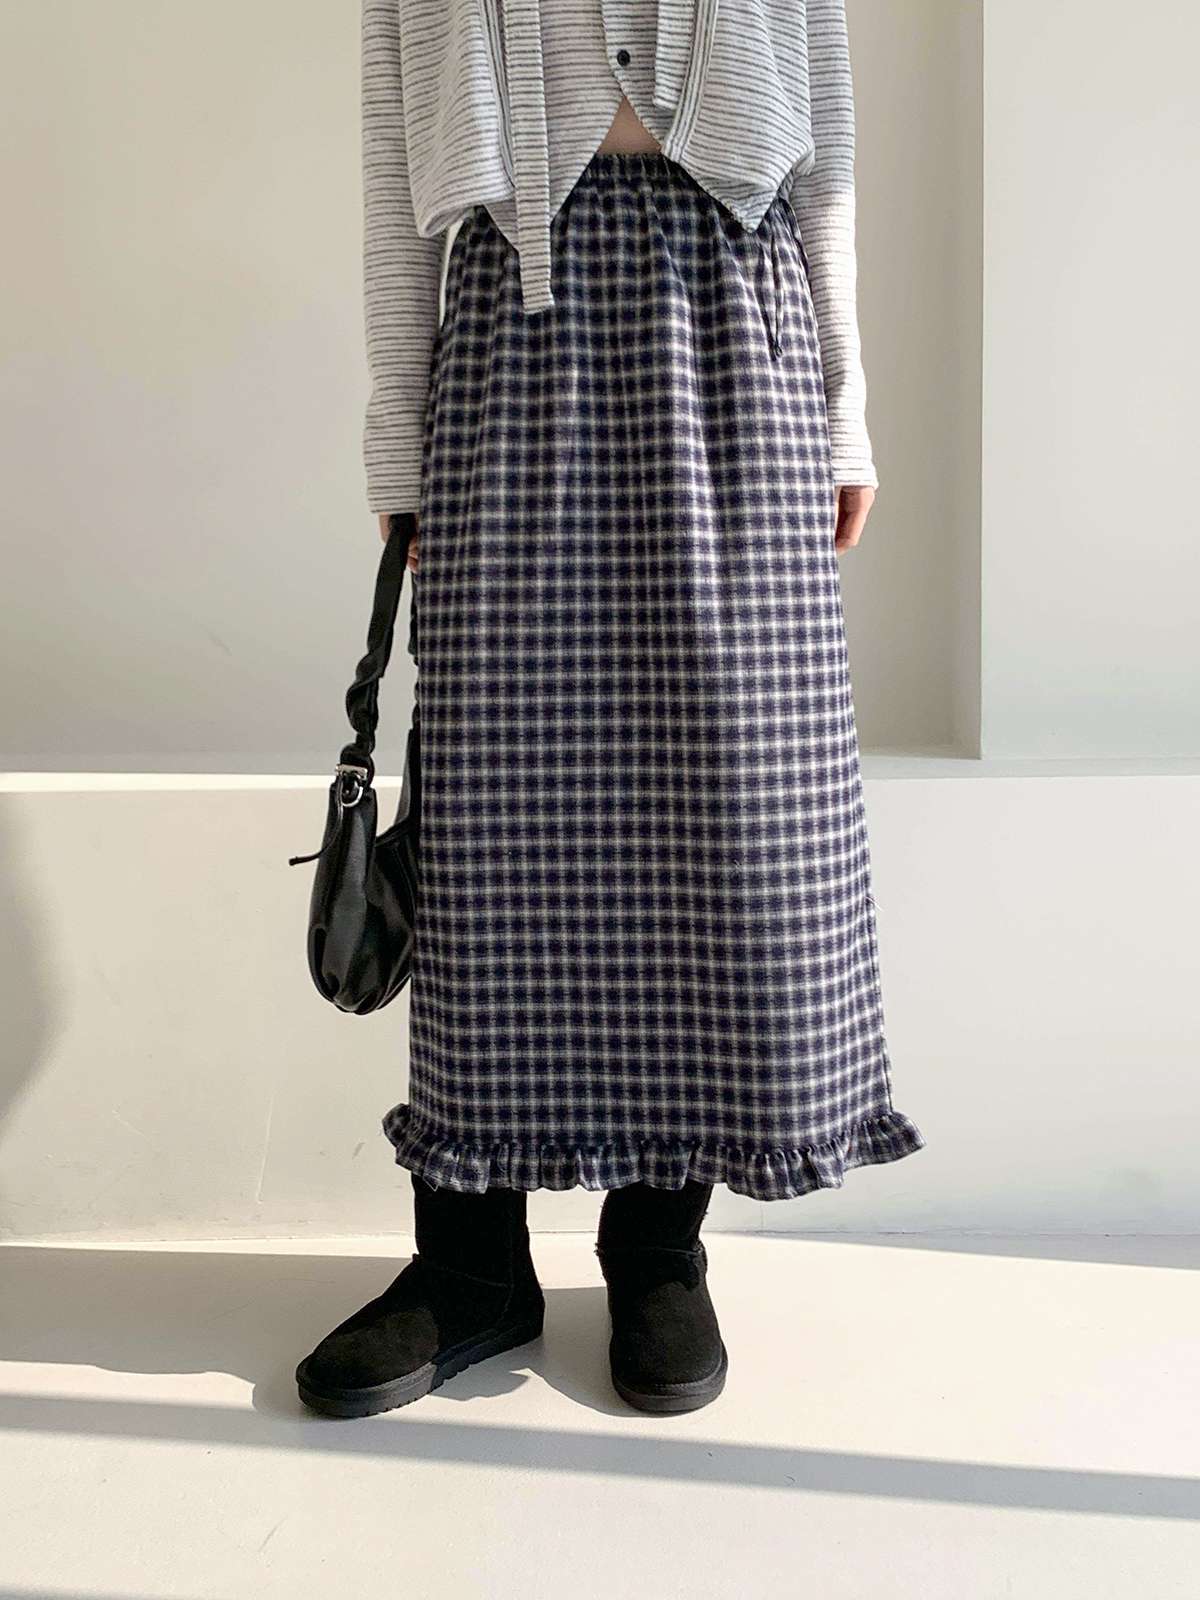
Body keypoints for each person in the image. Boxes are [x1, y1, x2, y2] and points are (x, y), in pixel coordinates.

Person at [296, 0, 925, 1420]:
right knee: (496, 804)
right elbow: (396, 160)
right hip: (511, 332)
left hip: (736, 335)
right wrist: (397, 429)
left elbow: (824, 141)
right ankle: (470, 1263)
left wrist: (846, 404)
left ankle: (657, 1247)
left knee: (724, 793)